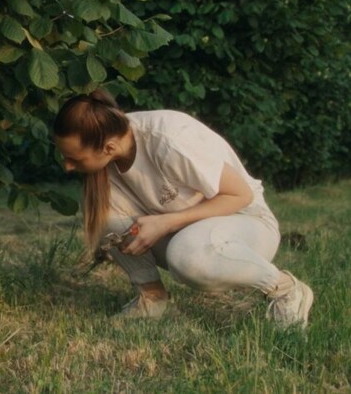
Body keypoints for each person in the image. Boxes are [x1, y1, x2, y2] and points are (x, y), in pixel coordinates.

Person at [52, 89, 313, 328]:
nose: (67, 166)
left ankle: (285, 289)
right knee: (104, 214)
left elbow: (240, 196)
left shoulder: (169, 139)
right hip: (187, 233)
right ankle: (152, 298)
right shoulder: (108, 151)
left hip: (247, 224)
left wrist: (166, 223)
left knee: (185, 255)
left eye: (74, 158)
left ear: (108, 147)